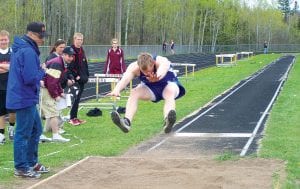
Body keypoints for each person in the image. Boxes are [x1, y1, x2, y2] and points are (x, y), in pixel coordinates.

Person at [6, 22, 50, 178]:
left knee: (36, 129)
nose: (42, 40)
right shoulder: (28, 51)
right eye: (40, 36)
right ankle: (21, 167)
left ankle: (31, 162)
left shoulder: (24, 48)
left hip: (24, 96)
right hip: (23, 97)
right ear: (31, 34)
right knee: (23, 133)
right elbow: (30, 78)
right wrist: (42, 71)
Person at [108, 53, 185, 134]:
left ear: (153, 63)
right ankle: (126, 122)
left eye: (149, 71)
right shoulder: (134, 67)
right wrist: (116, 89)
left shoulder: (161, 60)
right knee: (134, 92)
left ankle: (168, 121)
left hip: (169, 84)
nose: (147, 74)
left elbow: (163, 68)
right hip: (151, 89)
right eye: (143, 71)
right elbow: (125, 78)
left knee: (169, 93)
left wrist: (157, 76)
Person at [41, 47, 76, 142]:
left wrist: (60, 92)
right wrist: (56, 95)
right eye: (69, 56)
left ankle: (42, 132)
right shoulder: (57, 63)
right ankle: (55, 135)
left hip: (46, 87)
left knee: (48, 112)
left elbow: (56, 81)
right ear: (63, 54)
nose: (71, 58)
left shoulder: (60, 62)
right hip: (45, 89)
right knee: (53, 112)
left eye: (72, 56)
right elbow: (51, 82)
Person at [67, 33, 89, 126]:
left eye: (81, 39)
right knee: (74, 98)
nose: (80, 41)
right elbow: (70, 65)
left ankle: (75, 117)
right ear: (74, 39)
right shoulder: (71, 50)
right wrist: (75, 76)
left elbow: (84, 63)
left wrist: (86, 75)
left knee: (78, 98)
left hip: (82, 79)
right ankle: (72, 118)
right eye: (78, 39)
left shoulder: (81, 50)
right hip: (75, 79)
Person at [0, 30, 16, 144]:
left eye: (5, 39)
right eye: (1, 40)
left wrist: (3, 66)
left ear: (8, 40)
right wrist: (8, 67)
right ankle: (1, 134)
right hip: (0, 86)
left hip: (12, 86)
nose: (3, 42)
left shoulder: (13, 52)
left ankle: (11, 129)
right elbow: (9, 67)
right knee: (1, 112)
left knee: (12, 111)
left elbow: (14, 67)